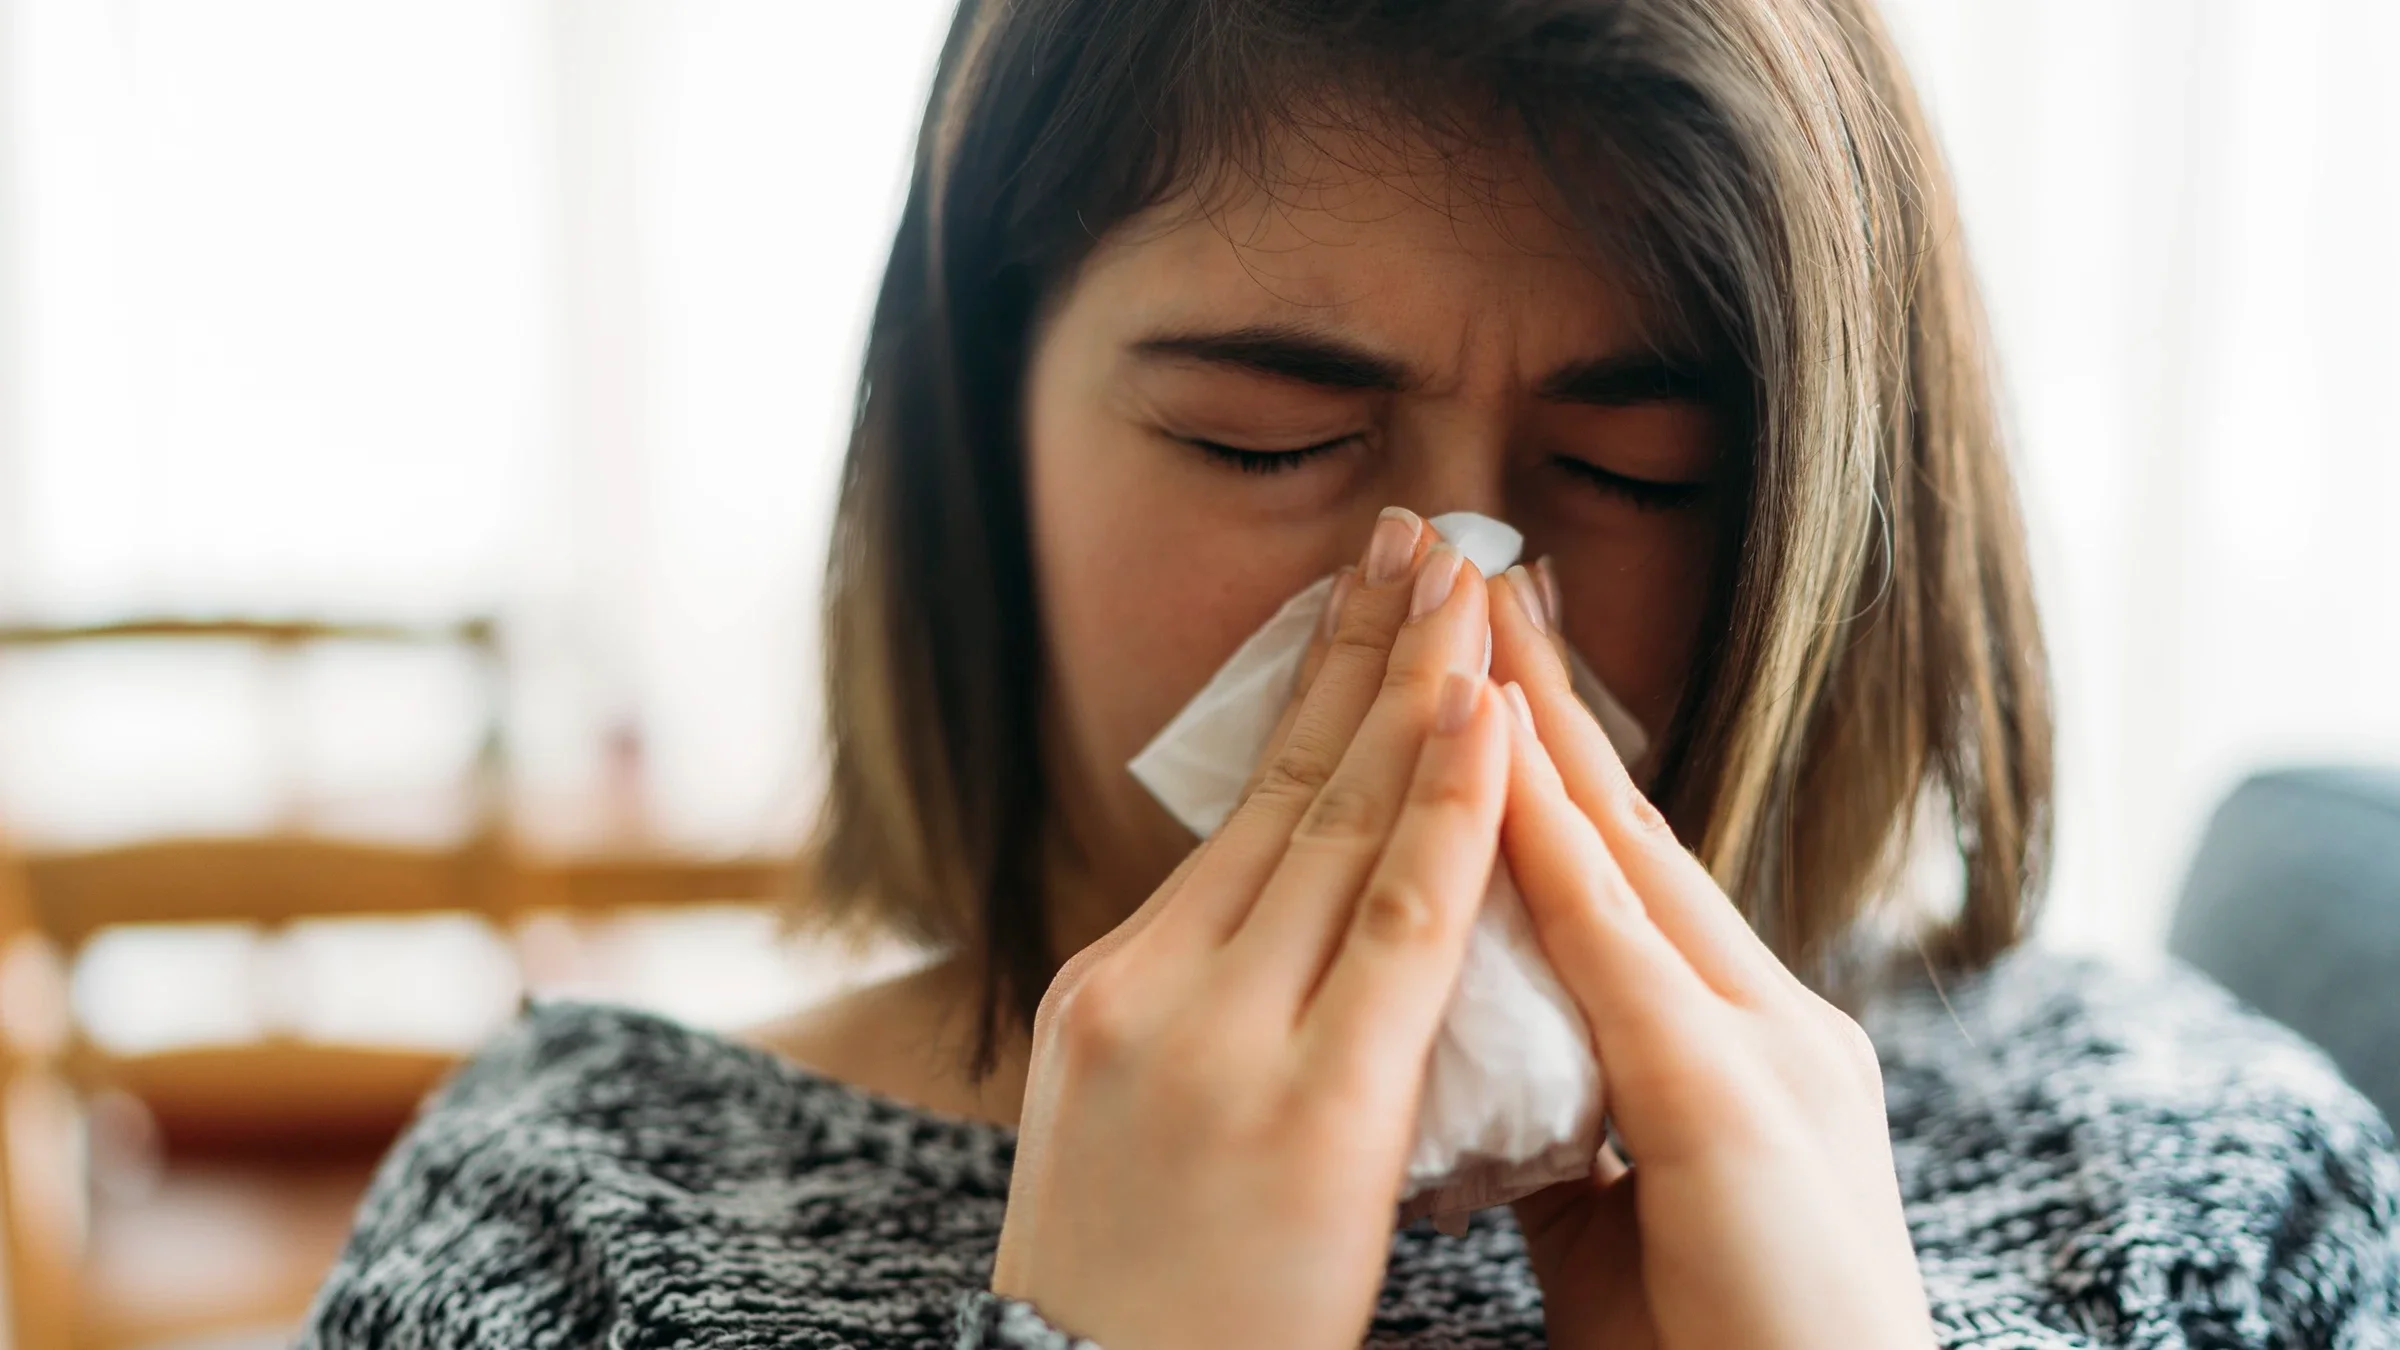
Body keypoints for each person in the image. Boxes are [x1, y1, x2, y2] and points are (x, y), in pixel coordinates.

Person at [300, 0, 2400, 1346]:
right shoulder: (571, 1237)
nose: (1461, 611)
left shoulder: (2198, 1184)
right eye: (1263, 446)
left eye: (1631, 470)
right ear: (978, 447)